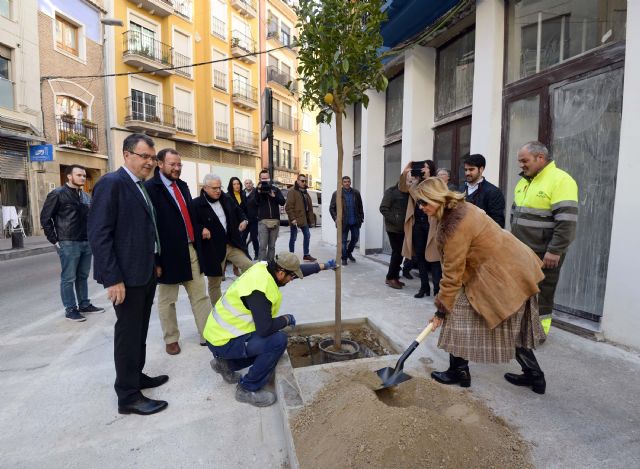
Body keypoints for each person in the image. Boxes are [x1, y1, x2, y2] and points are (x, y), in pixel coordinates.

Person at [415, 177, 547, 394]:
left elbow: (452, 273)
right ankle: (533, 376)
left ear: (437, 198)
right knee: (511, 326)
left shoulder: (454, 226)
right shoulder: (460, 208)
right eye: (419, 203)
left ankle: (460, 372)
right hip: (508, 266)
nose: (421, 208)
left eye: (424, 203)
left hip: (506, 274)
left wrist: (441, 309)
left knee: (463, 316)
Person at [88, 133, 168, 415]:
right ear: (126, 154)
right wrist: (112, 278)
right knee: (128, 334)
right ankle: (128, 396)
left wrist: (154, 261)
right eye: (144, 156)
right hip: (125, 277)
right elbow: (99, 234)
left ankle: (136, 376)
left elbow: (145, 230)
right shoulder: (112, 183)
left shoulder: (140, 186)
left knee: (140, 331)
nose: (149, 162)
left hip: (143, 272)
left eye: (152, 158)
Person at [204, 252, 336, 407]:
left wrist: (324, 266)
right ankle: (246, 388)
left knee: (270, 343)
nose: (291, 280)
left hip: (218, 334)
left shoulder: (266, 267)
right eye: (291, 277)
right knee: (277, 342)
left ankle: (225, 365)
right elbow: (265, 329)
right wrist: (285, 319)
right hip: (224, 341)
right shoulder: (259, 290)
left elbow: (297, 270)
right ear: (281, 273)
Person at [144, 149, 211, 356]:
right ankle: (171, 338)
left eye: (179, 164)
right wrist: (155, 260)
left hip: (191, 249)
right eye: (172, 164)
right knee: (167, 300)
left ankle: (207, 333)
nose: (177, 168)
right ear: (160, 164)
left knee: (200, 296)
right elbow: (149, 227)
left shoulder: (182, 185)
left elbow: (188, 215)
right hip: (167, 254)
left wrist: (199, 229)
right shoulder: (150, 188)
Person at [511, 141, 578, 337]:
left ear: (540, 158)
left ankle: (538, 333)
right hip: (522, 249)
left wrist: (555, 250)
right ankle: (522, 329)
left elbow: (567, 221)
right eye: (519, 161)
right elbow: (516, 215)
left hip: (545, 252)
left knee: (543, 293)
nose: (521, 165)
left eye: (525, 160)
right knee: (521, 291)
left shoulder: (561, 180)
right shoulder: (524, 180)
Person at [40, 164, 104, 321]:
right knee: (68, 277)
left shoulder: (86, 197)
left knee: (82, 276)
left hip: (85, 241)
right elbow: (45, 218)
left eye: (84, 175)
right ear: (69, 176)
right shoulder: (57, 194)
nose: (82, 177)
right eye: (79, 175)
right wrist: (54, 240)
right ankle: (70, 309)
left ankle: (84, 304)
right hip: (67, 241)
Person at [192, 174, 254, 307]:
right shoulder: (196, 204)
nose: (218, 191)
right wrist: (201, 228)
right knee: (215, 283)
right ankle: (218, 310)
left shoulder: (226, 198)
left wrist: (244, 220)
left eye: (219, 187)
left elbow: (239, 211)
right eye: (214, 188)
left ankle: (246, 298)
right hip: (213, 249)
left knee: (250, 267)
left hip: (231, 244)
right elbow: (191, 224)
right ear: (205, 188)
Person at [399, 161, 442, 298]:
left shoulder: (436, 183)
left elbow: (424, 198)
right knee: (420, 257)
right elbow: (402, 187)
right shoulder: (416, 183)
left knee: (434, 258)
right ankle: (424, 287)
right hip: (417, 225)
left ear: (431, 170)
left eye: (425, 167)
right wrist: (406, 172)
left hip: (432, 225)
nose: (422, 170)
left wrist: (420, 182)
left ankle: (437, 289)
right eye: (421, 167)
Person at [247, 169, 286, 262]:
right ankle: (262, 266)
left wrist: (274, 196)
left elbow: (282, 202)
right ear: (259, 179)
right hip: (263, 222)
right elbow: (252, 203)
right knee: (263, 246)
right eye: (263, 178)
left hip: (275, 221)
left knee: (272, 246)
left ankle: (270, 265)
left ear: (269, 178)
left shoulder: (275, 189)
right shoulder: (256, 190)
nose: (265, 180)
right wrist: (258, 192)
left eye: (266, 178)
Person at [459, 154, 506, 228]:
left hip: (482, 237)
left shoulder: (494, 192)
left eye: (471, 169)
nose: (467, 173)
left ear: (481, 169)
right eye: (466, 170)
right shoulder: (460, 189)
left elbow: (497, 223)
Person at [379, 182, 409, 289]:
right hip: (393, 229)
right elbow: (383, 208)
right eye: (408, 180)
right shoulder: (391, 191)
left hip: (404, 228)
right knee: (397, 253)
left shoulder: (408, 192)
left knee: (400, 253)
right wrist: (395, 220)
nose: (410, 182)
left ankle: (394, 277)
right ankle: (391, 277)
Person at [329, 176, 364, 265]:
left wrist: (361, 218)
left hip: (355, 221)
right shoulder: (337, 193)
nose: (347, 183)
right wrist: (335, 218)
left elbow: (360, 206)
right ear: (342, 183)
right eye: (345, 182)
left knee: (355, 238)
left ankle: (349, 252)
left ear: (350, 182)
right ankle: (344, 257)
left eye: (348, 181)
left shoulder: (356, 193)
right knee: (343, 242)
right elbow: (332, 208)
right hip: (343, 222)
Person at [286, 174, 317, 261]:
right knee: (293, 237)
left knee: (307, 235)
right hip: (295, 219)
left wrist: (311, 219)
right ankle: (291, 255)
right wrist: (292, 219)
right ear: (298, 181)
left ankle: (306, 255)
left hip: (304, 218)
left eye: (305, 181)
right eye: (302, 181)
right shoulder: (292, 191)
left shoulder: (305, 191)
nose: (304, 182)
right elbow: (288, 207)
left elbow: (308, 207)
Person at [243, 178, 259, 260]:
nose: (248, 184)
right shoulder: (242, 193)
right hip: (245, 220)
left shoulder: (256, 192)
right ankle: (245, 254)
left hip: (254, 219)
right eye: (246, 183)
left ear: (252, 184)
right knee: (243, 237)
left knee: (254, 237)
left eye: (249, 183)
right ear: (244, 185)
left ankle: (257, 254)